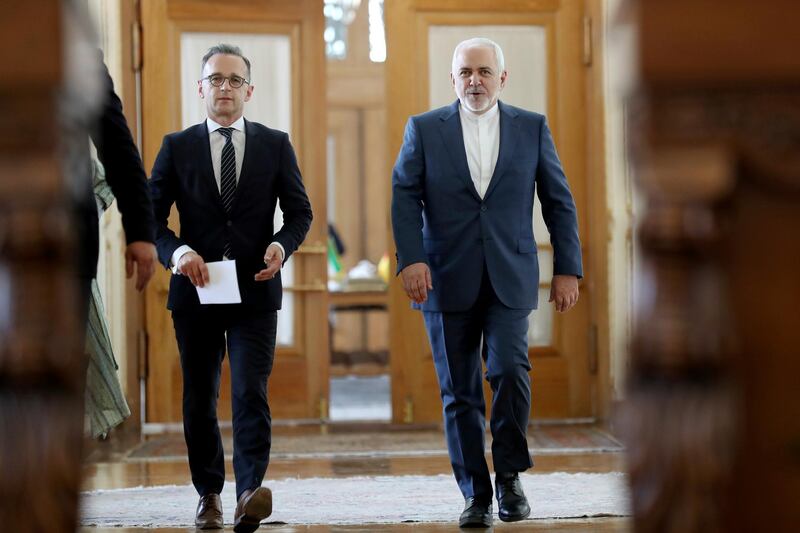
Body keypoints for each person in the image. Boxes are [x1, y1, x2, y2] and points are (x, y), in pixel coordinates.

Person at [391, 38, 583, 528]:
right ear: (452, 79)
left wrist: (567, 269)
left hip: (510, 276)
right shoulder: (424, 129)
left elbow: (558, 202)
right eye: (464, 73)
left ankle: (510, 477)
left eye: (483, 71)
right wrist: (410, 260)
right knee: (459, 392)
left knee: (510, 373)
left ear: (502, 76)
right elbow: (404, 197)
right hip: (442, 277)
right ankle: (475, 494)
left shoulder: (532, 128)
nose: (474, 80)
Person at [148, 44, 312, 532]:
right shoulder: (176, 146)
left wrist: (282, 246)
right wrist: (179, 254)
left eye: (234, 80)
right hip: (195, 292)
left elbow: (299, 214)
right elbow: (152, 219)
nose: (224, 87)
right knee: (199, 395)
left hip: (255, 292)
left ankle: (248, 493)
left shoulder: (275, 144)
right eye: (215, 79)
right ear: (201, 88)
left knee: (248, 391)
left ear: (249, 90)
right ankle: (209, 495)